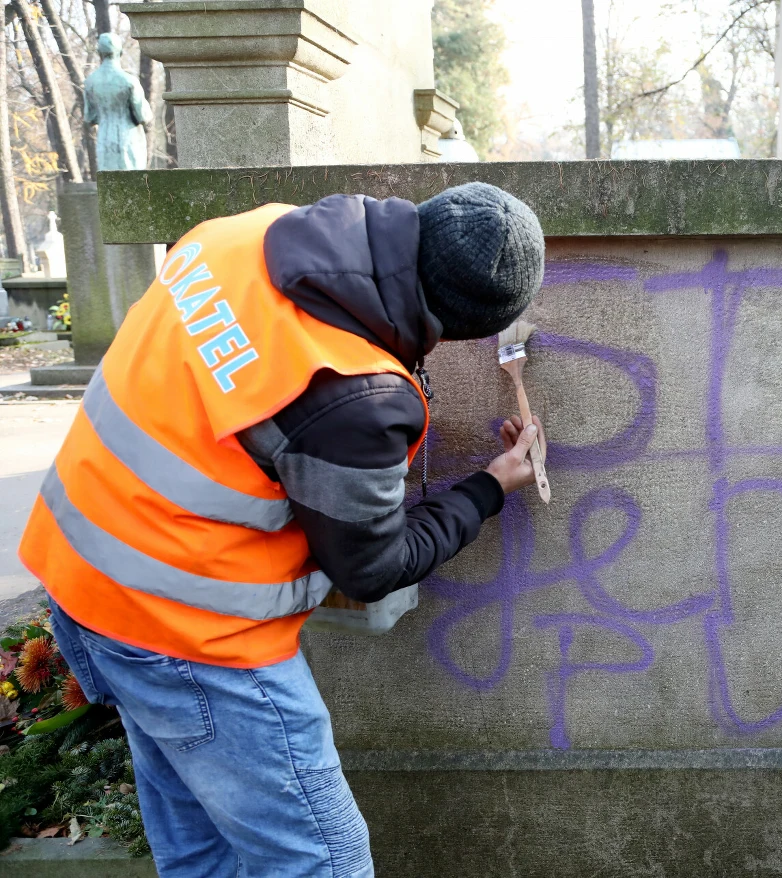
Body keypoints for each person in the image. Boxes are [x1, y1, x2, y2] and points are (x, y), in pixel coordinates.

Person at [20, 182, 545, 877]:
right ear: (463, 326)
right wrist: (490, 486)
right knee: (322, 862)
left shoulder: (245, 236)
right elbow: (374, 565)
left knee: (203, 855)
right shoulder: (351, 391)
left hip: (86, 580)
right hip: (190, 637)